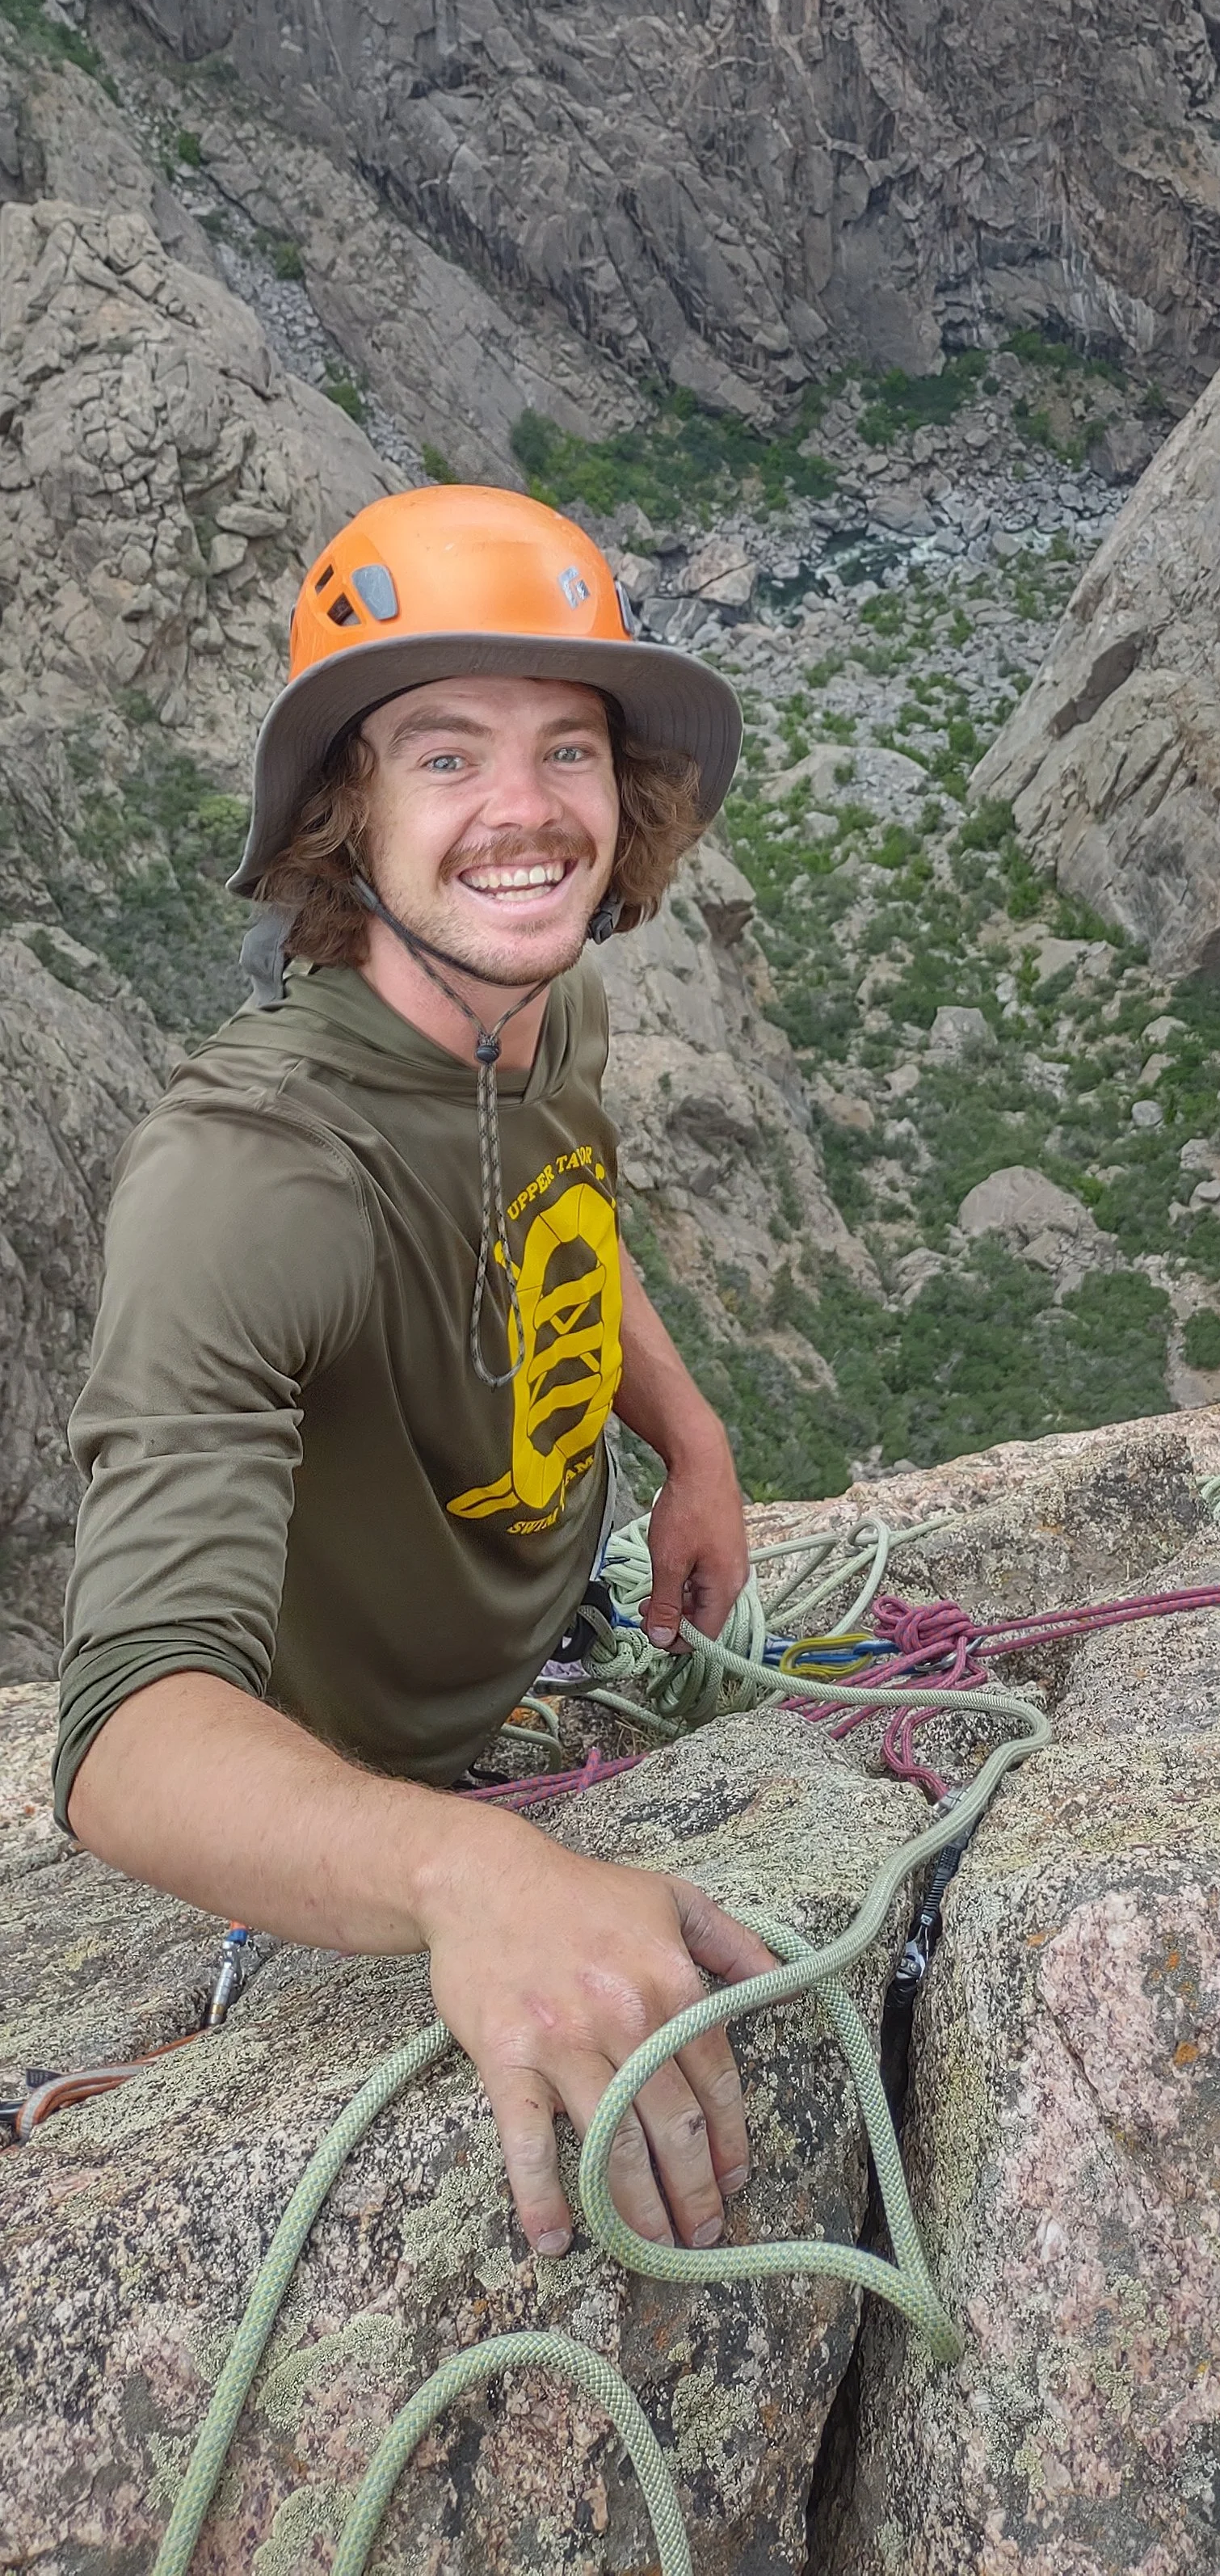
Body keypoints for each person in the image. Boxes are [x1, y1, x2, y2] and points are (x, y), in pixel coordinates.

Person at [57, 483, 777, 2261]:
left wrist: (686, 1435)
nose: (524, 811)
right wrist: (472, 1871)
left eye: (567, 750)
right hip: (369, 1798)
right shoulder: (250, 1172)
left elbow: (565, 1209)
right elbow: (128, 1735)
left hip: (552, 1632)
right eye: (444, 756)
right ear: (345, 815)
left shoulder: (542, 996)